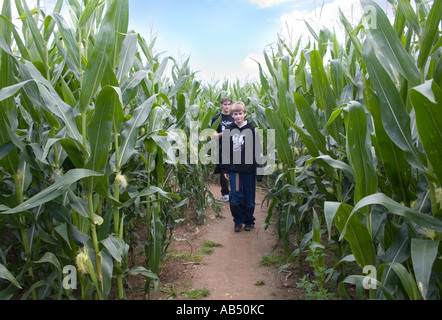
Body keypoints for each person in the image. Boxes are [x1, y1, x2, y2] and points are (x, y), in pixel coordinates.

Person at [221, 102, 263, 233]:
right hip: (235, 171)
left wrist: (259, 170)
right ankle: (238, 220)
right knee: (235, 197)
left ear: (244, 114)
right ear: (232, 115)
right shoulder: (229, 130)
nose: (238, 116)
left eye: (240, 113)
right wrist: (225, 169)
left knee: (249, 198)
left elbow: (258, 150)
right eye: (235, 114)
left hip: (249, 170)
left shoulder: (251, 129)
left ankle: (249, 220)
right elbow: (226, 151)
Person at [211, 97, 234, 202]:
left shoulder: (234, 117)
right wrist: (225, 133)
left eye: (229, 104)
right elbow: (214, 135)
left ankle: (235, 193)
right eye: (225, 104)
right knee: (223, 171)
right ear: (221, 105)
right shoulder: (216, 118)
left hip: (235, 148)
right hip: (222, 148)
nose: (227, 106)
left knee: (235, 170)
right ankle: (225, 194)